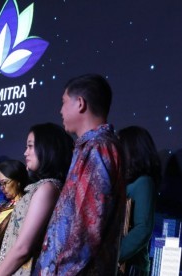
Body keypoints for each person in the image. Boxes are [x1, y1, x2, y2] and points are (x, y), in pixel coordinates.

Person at [34, 74, 125, 275]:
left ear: (80, 103)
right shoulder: (91, 147)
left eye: (64, 103)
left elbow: (86, 230)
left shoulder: (98, 148)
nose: (60, 110)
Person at [0, 123, 73, 276]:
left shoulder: (47, 188)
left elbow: (23, 248)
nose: (25, 153)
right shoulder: (41, 187)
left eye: (30, 146)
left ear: (47, 149)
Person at [117, 126, 161, 275]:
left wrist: (113, 254)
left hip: (131, 267)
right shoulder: (133, 182)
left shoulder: (144, 182)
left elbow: (143, 229)